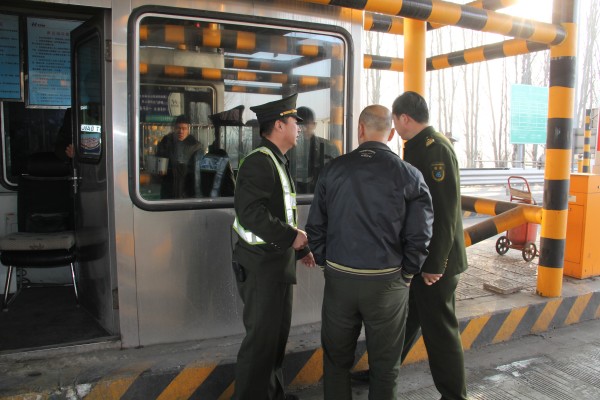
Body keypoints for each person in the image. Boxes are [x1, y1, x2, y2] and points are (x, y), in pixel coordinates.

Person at [306, 105, 434, 400]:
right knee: (385, 367)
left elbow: (316, 227)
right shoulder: (409, 175)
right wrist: (408, 273)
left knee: (336, 363)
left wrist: (326, 265)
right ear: (391, 134)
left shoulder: (333, 170)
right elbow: (420, 234)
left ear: (360, 129)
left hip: (340, 280)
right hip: (387, 282)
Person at [232, 93, 316, 400]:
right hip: (261, 268)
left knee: (275, 339)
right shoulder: (259, 162)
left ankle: (273, 394)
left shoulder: (276, 160)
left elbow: (281, 214)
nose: (299, 127)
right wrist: (292, 237)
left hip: (276, 264)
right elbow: (250, 213)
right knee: (261, 343)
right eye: (294, 121)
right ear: (279, 125)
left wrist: (300, 249)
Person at [392, 91, 469, 400]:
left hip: (437, 264)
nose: (395, 127)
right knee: (406, 320)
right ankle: (384, 371)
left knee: (440, 331)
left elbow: (445, 212)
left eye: (395, 121)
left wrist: (435, 264)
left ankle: (454, 395)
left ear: (404, 118)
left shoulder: (435, 149)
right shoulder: (416, 147)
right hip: (419, 259)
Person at [191, 106, 241, 197]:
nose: (240, 134)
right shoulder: (219, 157)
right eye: (235, 130)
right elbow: (230, 191)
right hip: (219, 203)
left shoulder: (205, 156)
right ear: (222, 134)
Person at [292, 106, 340, 193]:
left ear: (314, 125)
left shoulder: (328, 148)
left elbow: (337, 177)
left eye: (306, 124)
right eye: (299, 125)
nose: (303, 129)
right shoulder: (287, 148)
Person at [155, 115, 203, 199]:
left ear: (188, 129)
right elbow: (158, 167)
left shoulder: (195, 146)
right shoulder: (166, 142)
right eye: (178, 128)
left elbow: (197, 171)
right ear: (174, 128)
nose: (181, 131)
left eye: (184, 128)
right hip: (169, 188)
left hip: (187, 189)